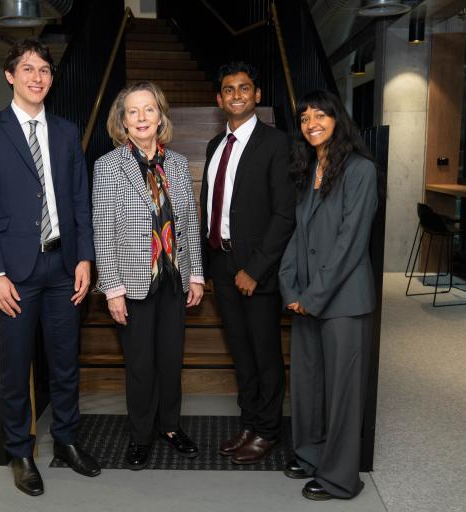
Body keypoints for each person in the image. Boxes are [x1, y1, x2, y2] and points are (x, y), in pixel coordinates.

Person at [0, 38, 100, 497]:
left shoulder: (65, 131)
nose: (37, 77)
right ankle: (20, 452)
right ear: (10, 76)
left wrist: (85, 257)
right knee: (15, 367)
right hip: (14, 273)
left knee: (65, 362)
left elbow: (79, 199)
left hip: (63, 265)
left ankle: (66, 441)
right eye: (27, 68)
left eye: (44, 70)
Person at [92, 81, 205, 470]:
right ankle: (141, 435)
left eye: (149, 109)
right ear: (123, 121)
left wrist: (196, 274)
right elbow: (103, 232)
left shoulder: (177, 163)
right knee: (141, 366)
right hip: (133, 284)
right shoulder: (108, 166)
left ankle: (170, 427)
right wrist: (112, 289)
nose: (141, 117)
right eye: (133, 111)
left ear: (160, 117)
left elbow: (188, 222)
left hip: (173, 279)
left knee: (171, 361)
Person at [278, 89, 379, 501]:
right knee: (309, 384)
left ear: (338, 120)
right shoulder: (308, 169)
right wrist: (289, 286)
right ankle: (311, 455)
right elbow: (299, 235)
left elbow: (350, 243)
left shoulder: (360, 170)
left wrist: (312, 296)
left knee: (342, 393)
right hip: (306, 297)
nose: (312, 123)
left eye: (320, 115)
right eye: (304, 118)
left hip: (344, 301)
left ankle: (340, 477)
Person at [201, 61, 295, 464]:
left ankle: (268, 431)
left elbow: (285, 214)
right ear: (219, 99)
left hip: (256, 271)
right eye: (228, 89)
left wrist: (255, 269)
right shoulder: (214, 146)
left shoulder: (277, 143)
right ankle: (250, 423)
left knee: (264, 354)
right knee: (241, 353)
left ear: (256, 95)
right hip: (220, 265)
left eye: (244, 88)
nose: (236, 95)